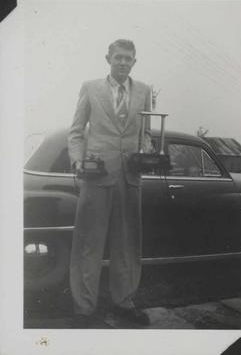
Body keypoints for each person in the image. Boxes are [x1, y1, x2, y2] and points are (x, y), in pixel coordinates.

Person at [68, 39, 152, 328]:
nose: (123, 62)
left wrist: (148, 152)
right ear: (108, 58)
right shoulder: (90, 88)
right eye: (118, 57)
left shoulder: (144, 90)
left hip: (130, 177)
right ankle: (83, 308)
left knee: (128, 245)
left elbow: (147, 133)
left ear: (134, 62)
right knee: (88, 244)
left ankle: (124, 303)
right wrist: (78, 161)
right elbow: (76, 131)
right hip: (96, 176)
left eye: (128, 58)